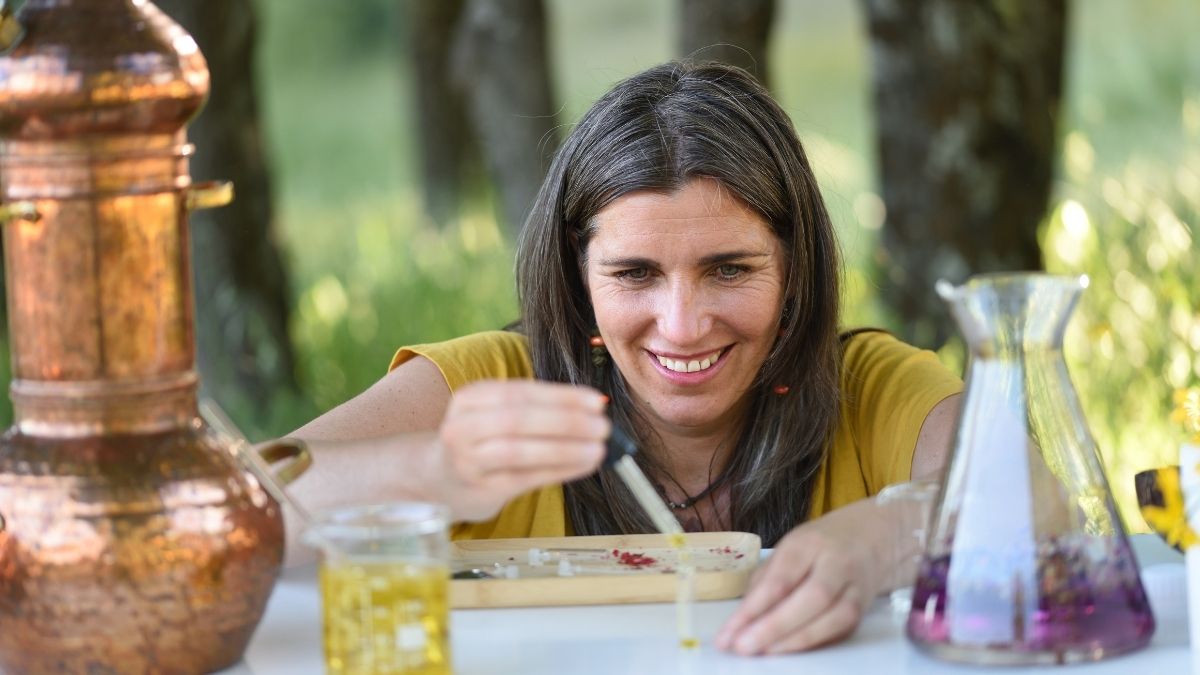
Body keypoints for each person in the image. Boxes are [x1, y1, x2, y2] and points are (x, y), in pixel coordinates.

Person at [287, 60, 963, 656]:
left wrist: (887, 536)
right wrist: (432, 469)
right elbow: (220, 513)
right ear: (579, 282)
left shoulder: (870, 388)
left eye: (729, 269)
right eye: (635, 273)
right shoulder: (488, 386)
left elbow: (1032, 500)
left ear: (794, 270)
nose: (683, 324)